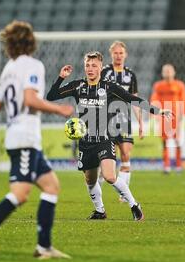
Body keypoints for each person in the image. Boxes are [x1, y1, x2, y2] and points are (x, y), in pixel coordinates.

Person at [0, 21, 74, 261]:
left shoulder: (9, 68)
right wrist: (59, 110)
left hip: (21, 138)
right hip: (24, 137)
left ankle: (44, 247)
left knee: (51, 186)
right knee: (21, 193)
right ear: (30, 41)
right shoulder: (33, 65)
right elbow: (30, 100)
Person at [47, 52, 172, 221]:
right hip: (85, 142)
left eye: (94, 65)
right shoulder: (78, 86)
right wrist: (61, 77)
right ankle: (100, 211)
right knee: (90, 181)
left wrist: (157, 111)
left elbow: (131, 99)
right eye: (88, 65)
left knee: (110, 176)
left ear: (100, 67)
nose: (90, 69)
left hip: (104, 139)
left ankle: (134, 206)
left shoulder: (108, 87)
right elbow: (51, 96)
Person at [100, 41, 143, 202]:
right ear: (111, 55)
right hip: (106, 119)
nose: (118, 56)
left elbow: (135, 99)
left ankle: (123, 194)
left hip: (124, 119)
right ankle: (98, 193)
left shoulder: (130, 75)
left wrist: (140, 122)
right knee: (105, 158)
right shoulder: (104, 72)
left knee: (125, 154)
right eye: (115, 53)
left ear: (125, 55)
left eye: (121, 53)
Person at [150, 64, 185, 174]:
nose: (168, 73)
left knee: (178, 142)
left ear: (174, 72)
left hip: (177, 117)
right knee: (165, 142)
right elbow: (154, 99)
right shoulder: (158, 86)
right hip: (164, 116)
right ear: (162, 73)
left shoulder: (179, 85)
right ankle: (166, 166)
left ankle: (178, 165)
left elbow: (184, 100)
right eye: (165, 71)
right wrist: (154, 115)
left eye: (169, 71)